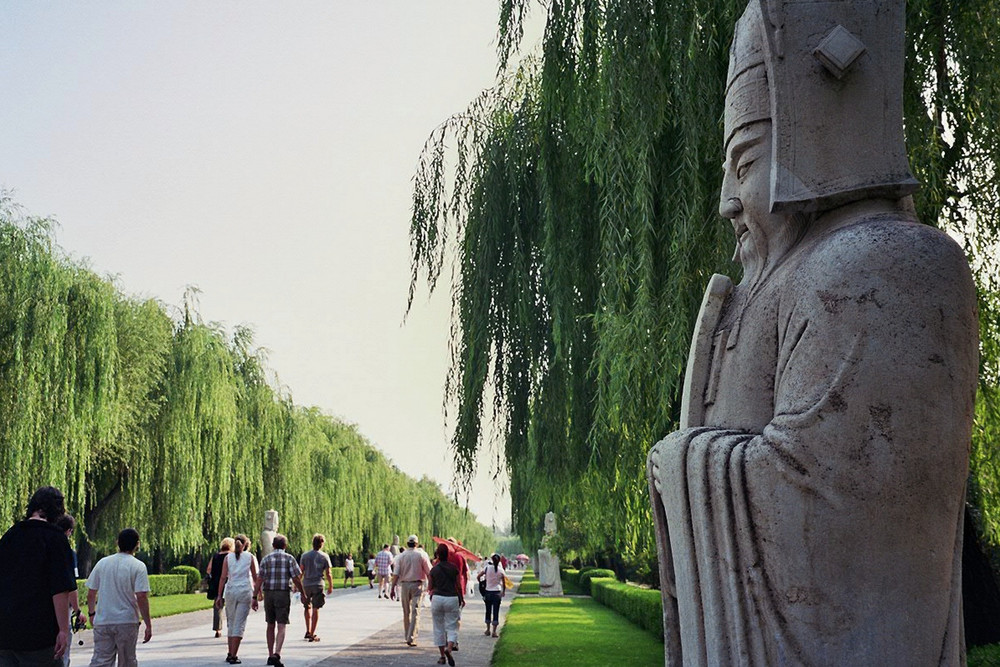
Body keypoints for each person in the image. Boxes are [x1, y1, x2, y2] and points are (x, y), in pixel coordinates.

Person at [647, 1, 979, 664]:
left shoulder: (880, 264)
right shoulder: (778, 282)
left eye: (745, 163)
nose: (726, 203)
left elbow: (830, 518)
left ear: (811, 145)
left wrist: (682, 462)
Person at [0, 486, 77, 666]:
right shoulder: (55, 538)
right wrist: (63, 630)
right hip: (39, 633)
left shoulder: (10, 536)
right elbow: (60, 589)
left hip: (5, 631)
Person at [85, 528, 152, 667]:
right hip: (126, 620)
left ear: (117, 543)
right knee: (127, 660)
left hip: (103, 619)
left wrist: (92, 613)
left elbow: (91, 592)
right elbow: (141, 596)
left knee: (101, 661)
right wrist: (148, 624)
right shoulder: (138, 566)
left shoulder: (103, 563)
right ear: (137, 544)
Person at [252, 534, 304, 667]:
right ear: (285, 546)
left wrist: (255, 596)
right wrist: (302, 592)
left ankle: (270, 655)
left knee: (270, 624)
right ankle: (277, 652)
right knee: (281, 624)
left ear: (273, 545)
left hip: (269, 593)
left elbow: (259, 579)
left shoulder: (266, 559)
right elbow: (296, 577)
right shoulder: (289, 558)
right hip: (283, 593)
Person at [215, 534, 257, 664]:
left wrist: (219, 596)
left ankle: (229, 652)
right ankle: (234, 655)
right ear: (245, 545)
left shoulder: (228, 558)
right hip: (244, 590)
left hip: (231, 590)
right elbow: (255, 577)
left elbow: (223, 578)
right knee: (239, 623)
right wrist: (257, 594)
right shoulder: (249, 557)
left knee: (231, 622)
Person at [389, 534, 432, 646]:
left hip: (404, 585)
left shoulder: (401, 556)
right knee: (415, 612)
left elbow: (396, 573)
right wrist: (431, 586)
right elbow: (429, 572)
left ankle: (407, 634)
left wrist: (392, 588)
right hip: (417, 584)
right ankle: (411, 637)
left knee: (406, 612)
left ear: (407, 543)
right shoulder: (422, 555)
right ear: (416, 544)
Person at [428, 543, 463, 666]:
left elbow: (430, 587)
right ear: (448, 554)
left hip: (437, 598)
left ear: (437, 554)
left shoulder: (434, 569)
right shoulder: (454, 568)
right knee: (452, 626)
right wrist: (462, 598)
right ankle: (449, 648)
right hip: (452, 598)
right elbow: (458, 585)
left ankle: (442, 656)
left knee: (438, 628)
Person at [54, 514, 81, 667]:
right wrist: (77, 611)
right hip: (62, 609)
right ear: (69, 531)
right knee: (63, 654)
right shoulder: (68, 553)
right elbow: (69, 585)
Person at [298, 534, 333, 642]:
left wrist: (297, 584)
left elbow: (301, 572)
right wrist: (331, 585)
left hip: (306, 584)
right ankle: (312, 633)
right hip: (318, 584)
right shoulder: (324, 556)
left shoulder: (305, 556)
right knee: (315, 608)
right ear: (321, 544)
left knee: (306, 607)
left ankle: (308, 630)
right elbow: (328, 573)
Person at [206, 537, 234, 639]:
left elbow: (209, 569)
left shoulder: (215, 556)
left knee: (218, 606)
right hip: (229, 582)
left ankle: (218, 629)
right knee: (231, 605)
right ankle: (231, 627)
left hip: (216, 583)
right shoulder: (232, 556)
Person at [477, 553, 505, 638]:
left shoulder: (487, 568)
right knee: (496, 611)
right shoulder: (500, 570)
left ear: (492, 560)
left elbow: (478, 576)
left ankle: (488, 629)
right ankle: (494, 631)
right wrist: (503, 592)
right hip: (497, 592)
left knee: (488, 610)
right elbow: (504, 582)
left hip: (488, 592)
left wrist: (481, 582)